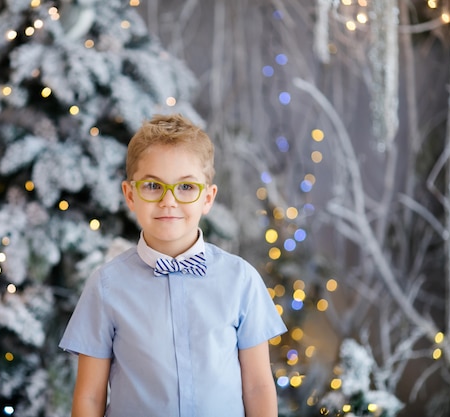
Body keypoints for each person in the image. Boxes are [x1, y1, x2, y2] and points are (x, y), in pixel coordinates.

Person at [59, 113, 287, 417]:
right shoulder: (106, 286)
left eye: (186, 187)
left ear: (208, 198)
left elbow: (258, 386)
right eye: (153, 186)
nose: (169, 201)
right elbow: (89, 397)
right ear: (130, 195)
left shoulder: (241, 280)